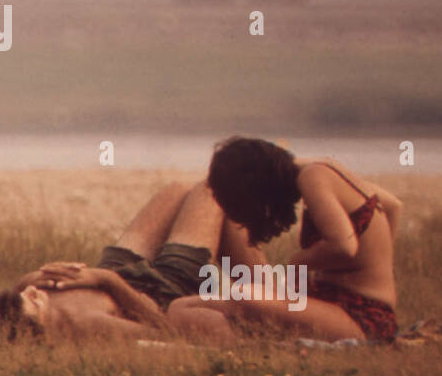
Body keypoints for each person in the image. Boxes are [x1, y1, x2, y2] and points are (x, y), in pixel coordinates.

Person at [0, 178, 264, 342]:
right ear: (36, 327)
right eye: (31, 301)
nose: (32, 292)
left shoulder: (34, 292)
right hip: (159, 288)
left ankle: (258, 295)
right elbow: (166, 331)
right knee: (213, 191)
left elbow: (22, 289)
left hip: (114, 267)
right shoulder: (88, 325)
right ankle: (272, 302)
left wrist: (41, 275)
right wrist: (108, 281)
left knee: (176, 190)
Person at [167, 136, 402, 343]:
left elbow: (344, 245)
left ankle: (247, 346)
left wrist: (297, 263)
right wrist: (380, 266)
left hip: (360, 315)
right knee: (180, 307)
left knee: (243, 294)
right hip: (335, 305)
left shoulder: (313, 175)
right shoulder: (325, 169)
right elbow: (392, 206)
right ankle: (243, 338)